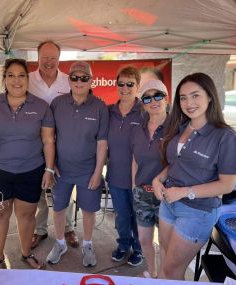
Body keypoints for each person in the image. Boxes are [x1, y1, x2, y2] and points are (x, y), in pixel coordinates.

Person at [0, 58, 56, 269]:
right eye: (11, 75)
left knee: (26, 215)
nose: (16, 80)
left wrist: (48, 169)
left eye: (21, 75)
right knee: (0, 214)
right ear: (4, 79)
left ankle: (26, 254)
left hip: (30, 170)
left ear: (28, 79)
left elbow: (48, 140)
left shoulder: (41, 106)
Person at [152, 72, 236, 280]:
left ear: (209, 96)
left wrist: (184, 192)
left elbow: (227, 185)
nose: (189, 103)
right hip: (168, 204)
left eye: (195, 95)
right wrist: (157, 180)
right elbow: (175, 163)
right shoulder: (181, 127)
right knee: (164, 261)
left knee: (171, 270)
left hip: (197, 213)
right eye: (183, 97)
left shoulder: (224, 136)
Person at [46, 61, 109, 267]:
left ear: (91, 80)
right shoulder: (57, 103)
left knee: (89, 210)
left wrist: (98, 172)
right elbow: (50, 136)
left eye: (84, 78)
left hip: (88, 171)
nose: (79, 81)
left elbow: (102, 143)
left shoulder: (100, 107)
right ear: (69, 79)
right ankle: (60, 242)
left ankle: (88, 244)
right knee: (58, 208)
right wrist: (51, 163)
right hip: (61, 170)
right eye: (74, 77)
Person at [29, 40, 79, 249]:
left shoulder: (69, 81)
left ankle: (68, 228)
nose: (49, 62)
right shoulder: (28, 80)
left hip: (62, 145)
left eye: (53, 58)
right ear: (38, 57)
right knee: (36, 190)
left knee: (63, 187)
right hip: (32, 144)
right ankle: (39, 230)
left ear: (59, 59)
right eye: (44, 58)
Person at [131, 79, 170, 278]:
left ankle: (163, 276)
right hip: (142, 193)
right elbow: (135, 159)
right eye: (147, 97)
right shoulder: (139, 127)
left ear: (166, 98)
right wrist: (134, 186)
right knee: (145, 239)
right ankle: (153, 272)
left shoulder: (177, 128)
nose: (153, 101)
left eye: (158, 95)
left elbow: (179, 162)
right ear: (142, 102)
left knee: (165, 242)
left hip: (166, 195)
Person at [106, 66, 143, 266]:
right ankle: (123, 245)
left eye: (130, 84)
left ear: (138, 86)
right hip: (116, 176)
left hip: (140, 178)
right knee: (121, 215)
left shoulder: (145, 111)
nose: (125, 88)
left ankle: (139, 248)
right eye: (121, 84)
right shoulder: (108, 111)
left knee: (139, 216)